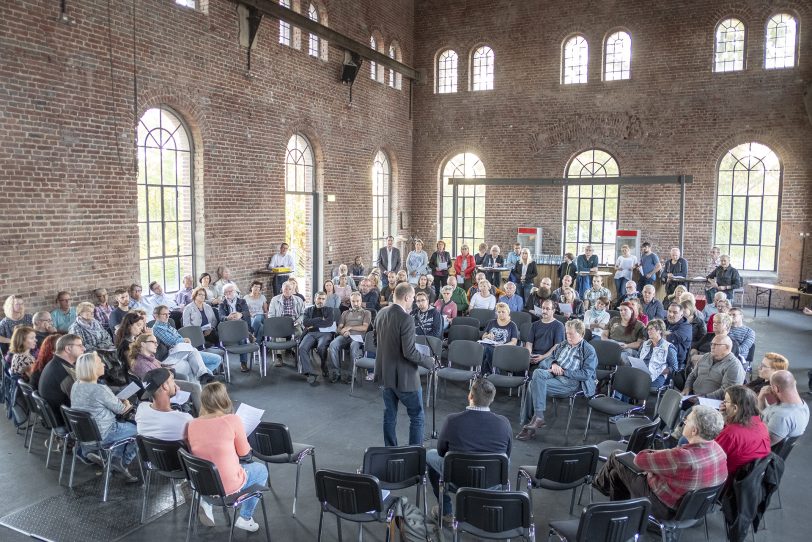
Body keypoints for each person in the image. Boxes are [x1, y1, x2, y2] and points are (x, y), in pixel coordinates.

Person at [593, 406, 727, 520]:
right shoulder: (719, 451)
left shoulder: (682, 456)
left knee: (617, 456)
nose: (684, 421)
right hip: (694, 509)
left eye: (688, 420)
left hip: (665, 508)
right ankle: (618, 514)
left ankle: (599, 484)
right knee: (615, 474)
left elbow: (639, 460)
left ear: (694, 430)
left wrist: (665, 452)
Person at [426, 378, 512, 524]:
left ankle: (446, 511)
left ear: (470, 396)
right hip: (492, 482)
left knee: (429, 455)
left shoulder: (452, 421)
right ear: (491, 400)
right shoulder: (504, 423)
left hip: (457, 480)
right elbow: (507, 455)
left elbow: (441, 452)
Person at [186, 382, 268, 532]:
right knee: (261, 470)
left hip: (203, 484)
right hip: (228, 486)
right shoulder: (232, 420)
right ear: (224, 400)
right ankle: (245, 517)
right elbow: (244, 453)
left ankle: (205, 501)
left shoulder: (191, 424)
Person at [375, 282, 434, 446]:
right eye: (413, 297)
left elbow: (375, 341)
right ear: (407, 297)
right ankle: (414, 455)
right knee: (417, 416)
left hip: (386, 374)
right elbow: (409, 352)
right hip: (405, 378)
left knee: (389, 414)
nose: (414, 300)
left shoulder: (381, 313)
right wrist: (429, 361)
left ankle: (390, 450)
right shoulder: (406, 319)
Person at [517, 319, 597, 440]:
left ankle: (531, 424)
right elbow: (548, 359)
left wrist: (564, 371)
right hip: (554, 374)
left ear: (581, 334)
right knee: (538, 372)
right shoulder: (563, 344)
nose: (568, 336)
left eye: (571, 333)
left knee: (532, 385)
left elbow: (586, 374)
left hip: (569, 382)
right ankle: (537, 418)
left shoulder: (589, 350)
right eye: (567, 333)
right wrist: (554, 364)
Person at [70, 352, 138, 482]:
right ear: (92, 368)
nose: (103, 364)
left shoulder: (76, 385)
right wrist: (127, 403)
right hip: (105, 433)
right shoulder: (99, 389)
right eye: (99, 362)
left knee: (124, 427)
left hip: (85, 435)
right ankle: (122, 462)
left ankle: (114, 458)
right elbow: (122, 410)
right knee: (140, 430)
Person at [129, 333, 201, 412]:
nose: (156, 345)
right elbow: (155, 383)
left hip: (165, 380)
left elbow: (161, 366)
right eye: (153, 342)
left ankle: (188, 405)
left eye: (157, 342)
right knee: (195, 388)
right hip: (160, 388)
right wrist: (171, 379)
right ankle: (203, 414)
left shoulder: (150, 357)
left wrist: (169, 369)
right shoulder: (141, 364)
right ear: (143, 344)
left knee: (184, 377)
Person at [152, 305, 220, 379]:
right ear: (156, 316)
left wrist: (184, 341)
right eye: (164, 314)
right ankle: (202, 375)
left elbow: (177, 339)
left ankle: (200, 376)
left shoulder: (167, 324)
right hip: (172, 354)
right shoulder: (157, 328)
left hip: (181, 350)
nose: (167, 316)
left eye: (168, 314)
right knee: (192, 350)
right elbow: (171, 342)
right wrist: (184, 340)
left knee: (217, 359)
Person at [715, 385, 771, 475]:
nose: (723, 404)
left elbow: (711, 457)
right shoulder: (762, 425)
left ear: (735, 408)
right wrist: (725, 416)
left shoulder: (731, 433)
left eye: (726, 401)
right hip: (749, 477)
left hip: (727, 478)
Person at [135, 368, 193, 441]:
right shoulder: (185, 419)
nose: (175, 384)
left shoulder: (141, 409)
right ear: (165, 386)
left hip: (149, 452)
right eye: (172, 379)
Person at [38, 334, 83, 423]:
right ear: (68, 349)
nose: (83, 348)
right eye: (80, 345)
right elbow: (81, 401)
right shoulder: (63, 373)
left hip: (57, 414)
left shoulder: (55, 363)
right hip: (68, 420)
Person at [327, 292, 371, 383]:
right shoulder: (345, 313)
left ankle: (352, 374)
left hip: (358, 337)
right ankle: (335, 372)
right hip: (345, 335)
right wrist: (342, 331)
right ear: (350, 301)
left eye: (357, 301)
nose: (355, 303)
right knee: (332, 345)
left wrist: (350, 327)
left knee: (353, 346)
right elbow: (339, 328)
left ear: (361, 301)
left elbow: (364, 328)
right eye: (353, 301)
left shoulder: (366, 313)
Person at [683, 336, 744, 400]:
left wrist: (703, 398)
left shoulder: (734, 365)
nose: (712, 346)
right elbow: (693, 375)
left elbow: (727, 391)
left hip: (713, 402)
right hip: (693, 396)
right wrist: (687, 388)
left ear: (727, 347)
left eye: (716, 344)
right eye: (711, 344)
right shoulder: (706, 356)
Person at [299, 292, 340, 385]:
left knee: (321, 347)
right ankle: (309, 373)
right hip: (311, 333)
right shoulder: (308, 310)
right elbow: (305, 322)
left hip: (325, 333)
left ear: (325, 300)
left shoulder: (329, 310)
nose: (320, 301)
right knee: (302, 348)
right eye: (319, 298)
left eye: (323, 299)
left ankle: (323, 364)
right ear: (315, 299)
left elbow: (329, 323)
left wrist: (312, 324)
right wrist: (320, 319)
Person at [758, 370, 809, 445]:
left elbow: (761, 445)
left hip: (755, 450)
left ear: (776, 388)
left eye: (771, 387)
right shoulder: (802, 404)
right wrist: (761, 399)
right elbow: (767, 416)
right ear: (794, 383)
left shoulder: (781, 417)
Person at [628, 319, 678, 391]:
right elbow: (637, 358)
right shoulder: (645, 344)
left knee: (639, 385)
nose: (649, 331)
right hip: (641, 373)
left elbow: (674, 367)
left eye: (651, 329)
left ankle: (640, 401)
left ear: (660, 331)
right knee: (624, 380)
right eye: (648, 329)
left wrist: (658, 371)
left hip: (657, 376)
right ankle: (621, 401)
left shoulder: (668, 347)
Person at [480, 303, 519, 375]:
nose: (501, 314)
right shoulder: (492, 322)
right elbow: (483, 337)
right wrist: (488, 336)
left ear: (508, 312)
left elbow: (514, 342)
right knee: (484, 347)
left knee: (487, 349)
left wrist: (501, 346)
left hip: (503, 349)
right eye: (499, 312)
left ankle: (485, 373)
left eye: (503, 312)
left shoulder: (512, 325)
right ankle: (492, 373)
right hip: (490, 346)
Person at [525, 299, 565, 367]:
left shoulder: (559, 326)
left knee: (542, 366)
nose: (544, 311)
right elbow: (529, 343)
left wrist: (543, 357)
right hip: (534, 355)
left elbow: (557, 346)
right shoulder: (535, 324)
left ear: (553, 311)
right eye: (543, 308)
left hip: (548, 357)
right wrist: (529, 355)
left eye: (547, 309)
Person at [268, 281, 306, 349]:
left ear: (292, 290)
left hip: (294, 321)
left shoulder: (299, 300)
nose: (287, 291)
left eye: (290, 289)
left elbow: (303, 314)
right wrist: (276, 323)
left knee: (300, 333)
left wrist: (298, 321)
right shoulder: (274, 300)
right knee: (276, 334)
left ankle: (296, 350)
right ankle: (279, 353)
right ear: (282, 289)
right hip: (280, 321)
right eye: (285, 289)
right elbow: (271, 315)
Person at [664, 303, 693, 369]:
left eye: (675, 312)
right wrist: (664, 334)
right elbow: (647, 331)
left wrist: (659, 334)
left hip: (676, 364)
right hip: (660, 358)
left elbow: (672, 338)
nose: (671, 314)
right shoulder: (664, 322)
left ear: (681, 315)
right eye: (669, 311)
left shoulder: (686, 327)